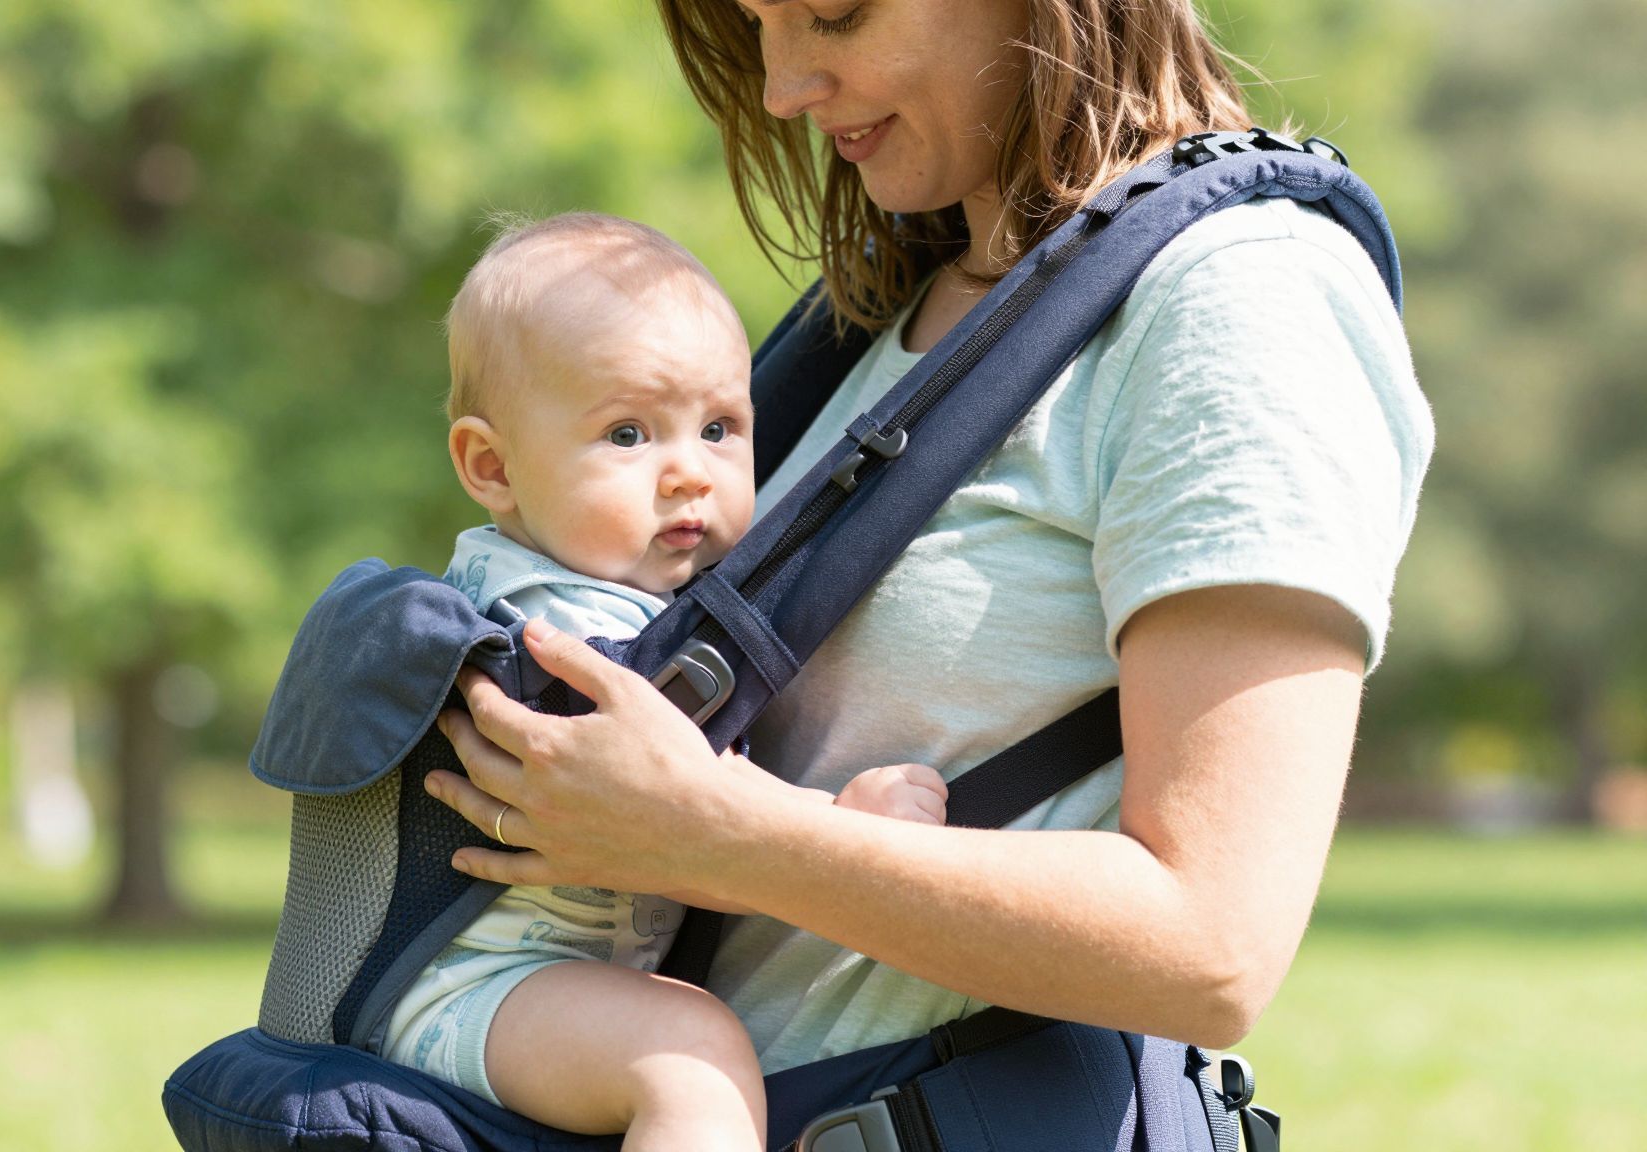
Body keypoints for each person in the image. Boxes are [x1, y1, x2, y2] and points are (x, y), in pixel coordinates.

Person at [425, 0, 1434, 1114]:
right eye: (757, 23)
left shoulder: (1238, 298)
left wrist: (714, 835)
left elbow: (1211, 949)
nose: (781, 89)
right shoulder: (901, 299)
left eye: (833, 12)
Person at [382, 210, 952, 1150]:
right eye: (627, 433)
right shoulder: (563, 630)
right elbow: (697, 825)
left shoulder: (582, 588)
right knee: (693, 1058)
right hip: (474, 990)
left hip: (531, 986)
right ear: (492, 466)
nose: (690, 471)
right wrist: (843, 824)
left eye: (720, 427)